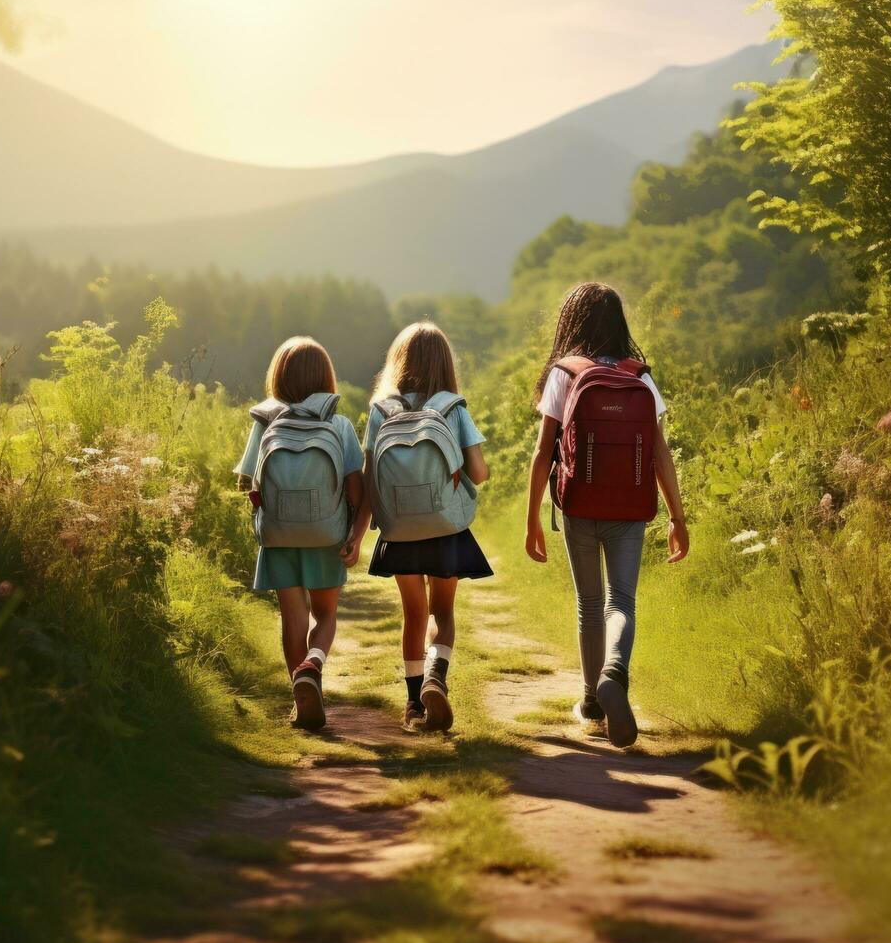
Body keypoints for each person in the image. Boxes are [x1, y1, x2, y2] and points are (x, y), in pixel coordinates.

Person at [524, 282, 689, 747]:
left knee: (589, 605)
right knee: (622, 602)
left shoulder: (566, 372)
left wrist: (533, 517)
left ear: (572, 321)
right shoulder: (641, 377)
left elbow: (543, 452)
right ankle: (614, 673)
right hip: (630, 509)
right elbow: (659, 453)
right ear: (619, 323)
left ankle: (592, 703)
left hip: (579, 505)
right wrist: (677, 517)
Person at [346, 322, 492, 731]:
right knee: (442, 612)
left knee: (413, 614)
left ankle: (413, 705)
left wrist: (357, 535)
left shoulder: (380, 410)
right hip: (446, 527)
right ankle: (435, 677)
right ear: (445, 364)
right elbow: (478, 473)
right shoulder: (452, 407)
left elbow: (370, 478)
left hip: (399, 533)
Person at [236, 337, 363, 731]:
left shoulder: (265, 421)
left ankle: (300, 694)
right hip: (326, 535)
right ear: (326, 379)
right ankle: (314, 665)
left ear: (279, 377)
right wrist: (354, 534)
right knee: (325, 616)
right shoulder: (338, 424)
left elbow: (246, 482)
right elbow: (356, 488)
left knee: (293, 619)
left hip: (278, 537)